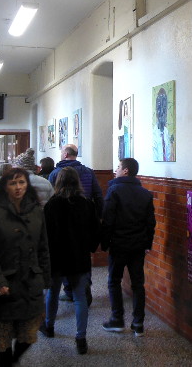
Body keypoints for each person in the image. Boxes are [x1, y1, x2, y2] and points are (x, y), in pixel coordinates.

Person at [0, 167, 51, 367]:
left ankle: (13, 361)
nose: (18, 187)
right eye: (13, 183)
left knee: (28, 335)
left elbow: (43, 248)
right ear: (5, 187)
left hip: (30, 283)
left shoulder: (36, 211)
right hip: (4, 285)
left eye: (22, 182)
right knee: (3, 341)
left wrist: (45, 278)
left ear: (28, 184)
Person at [40, 167, 100, 354]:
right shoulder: (86, 204)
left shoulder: (51, 205)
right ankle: (81, 338)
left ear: (58, 182)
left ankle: (49, 327)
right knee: (80, 297)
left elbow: (45, 234)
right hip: (78, 257)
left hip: (56, 256)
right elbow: (95, 231)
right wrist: (89, 248)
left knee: (52, 293)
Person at [101, 157, 155, 337]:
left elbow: (108, 220)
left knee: (114, 281)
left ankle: (117, 319)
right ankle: (138, 323)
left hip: (118, 244)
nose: (115, 170)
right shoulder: (145, 194)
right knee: (138, 283)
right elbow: (151, 223)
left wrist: (105, 242)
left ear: (125, 171)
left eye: (118, 167)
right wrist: (148, 243)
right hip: (138, 245)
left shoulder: (114, 190)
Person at [48, 144, 104, 302]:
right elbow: (98, 195)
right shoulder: (88, 172)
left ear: (65, 154)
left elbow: (52, 197)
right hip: (85, 219)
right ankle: (85, 285)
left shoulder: (56, 173)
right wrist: (99, 216)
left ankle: (70, 290)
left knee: (65, 257)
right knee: (83, 255)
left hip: (63, 222)